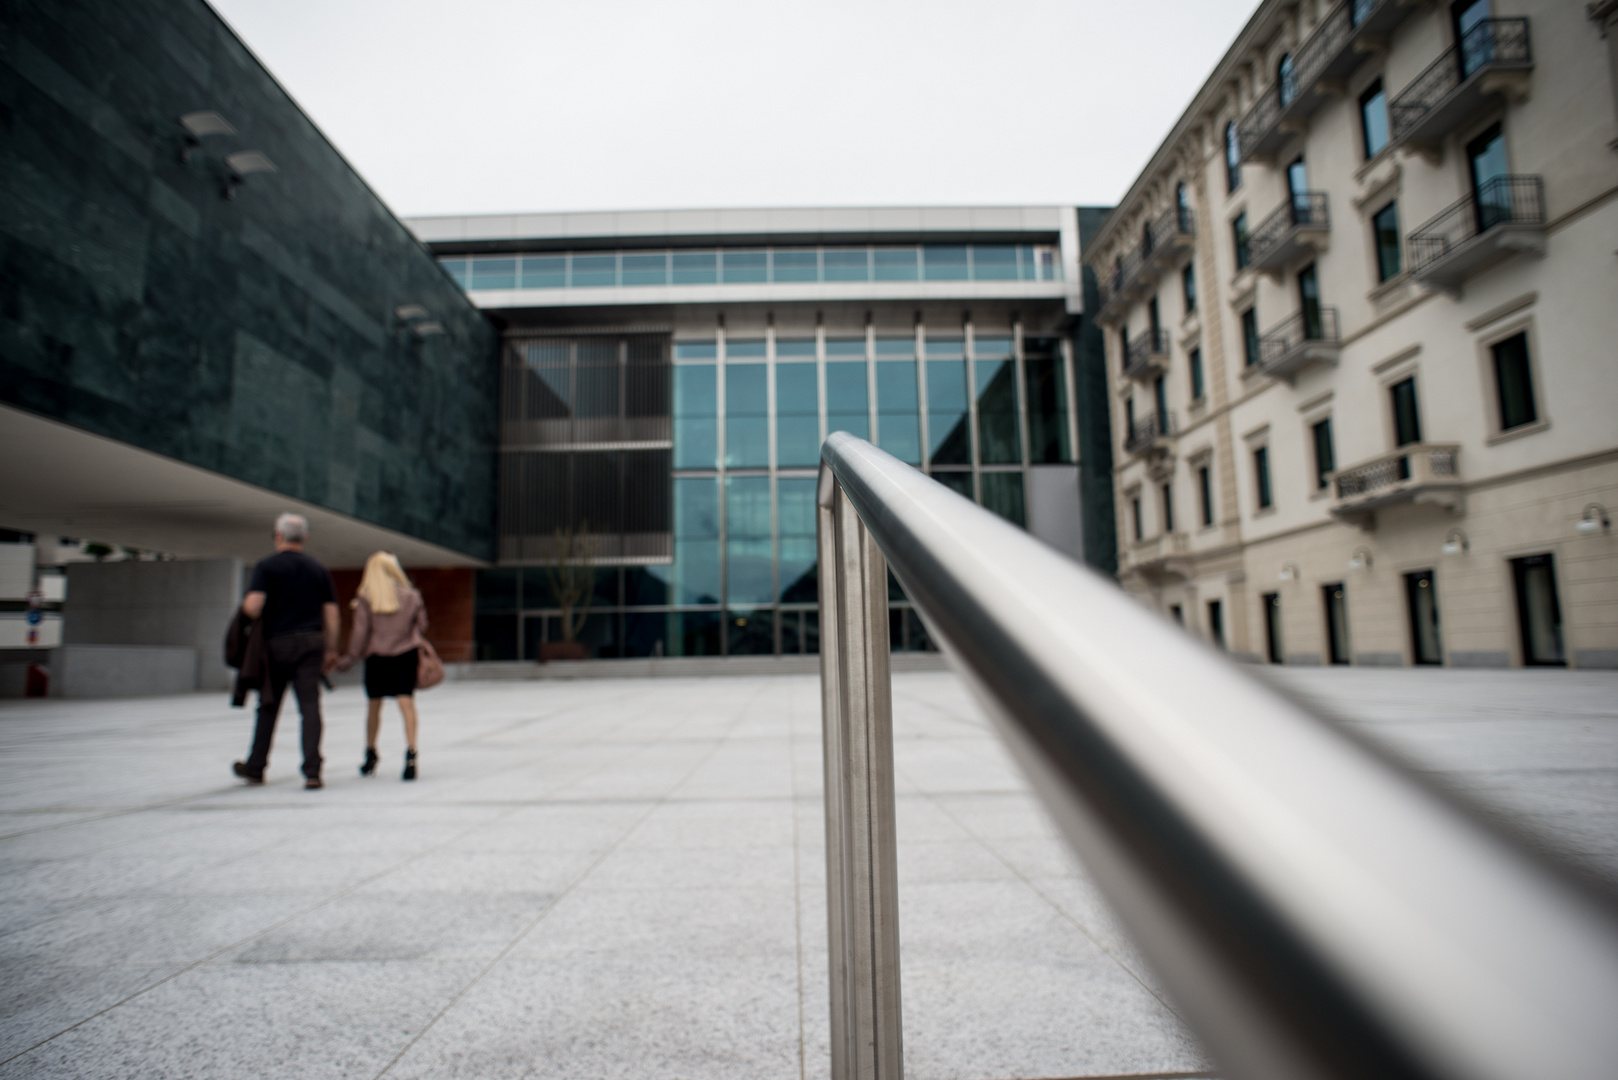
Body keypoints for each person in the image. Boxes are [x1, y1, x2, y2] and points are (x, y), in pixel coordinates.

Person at [232, 513, 338, 789]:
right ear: (304, 538)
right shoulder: (317, 568)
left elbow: (254, 605)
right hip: (312, 642)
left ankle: (256, 767)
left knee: (268, 705)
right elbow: (332, 613)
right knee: (310, 707)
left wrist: (244, 611)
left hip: (276, 644)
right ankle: (313, 771)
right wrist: (332, 648)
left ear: (278, 536)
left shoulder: (267, 566)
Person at [336, 552, 427, 781]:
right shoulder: (412, 596)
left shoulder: (366, 597)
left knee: (374, 707)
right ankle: (411, 754)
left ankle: (370, 753)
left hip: (377, 657)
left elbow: (360, 633)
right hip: (405, 655)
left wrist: (350, 658)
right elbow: (423, 625)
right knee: (407, 704)